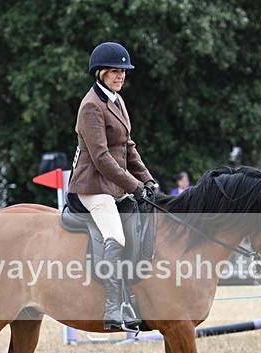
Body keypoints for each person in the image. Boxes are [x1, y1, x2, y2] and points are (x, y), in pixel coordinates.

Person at [68, 41, 157, 332]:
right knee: (116, 238)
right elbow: (102, 157)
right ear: (100, 73)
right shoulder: (91, 106)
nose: (120, 76)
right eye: (114, 71)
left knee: (140, 227)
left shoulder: (117, 101)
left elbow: (128, 147)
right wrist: (133, 185)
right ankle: (112, 306)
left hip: (115, 187)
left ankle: (132, 298)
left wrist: (147, 180)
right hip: (93, 187)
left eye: (123, 71)